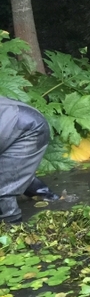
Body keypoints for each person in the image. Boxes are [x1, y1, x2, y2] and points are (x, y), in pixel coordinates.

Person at [0, 96, 54, 224]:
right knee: (12, 173)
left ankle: (13, 230)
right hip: (17, 117)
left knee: (3, 191)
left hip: (26, 128)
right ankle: (50, 198)